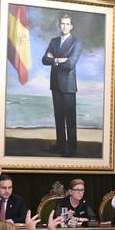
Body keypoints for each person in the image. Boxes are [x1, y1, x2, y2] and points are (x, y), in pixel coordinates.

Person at [41, 13, 83, 157]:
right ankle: (60, 145)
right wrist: (59, 60)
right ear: (59, 25)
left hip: (69, 86)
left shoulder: (76, 43)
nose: (64, 26)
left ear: (71, 26)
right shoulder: (53, 41)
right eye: (62, 24)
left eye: (67, 24)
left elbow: (71, 64)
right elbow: (44, 60)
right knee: (58, 117)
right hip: (55, 85)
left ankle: (71, 149)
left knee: (70, 120)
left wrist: (54, 59)